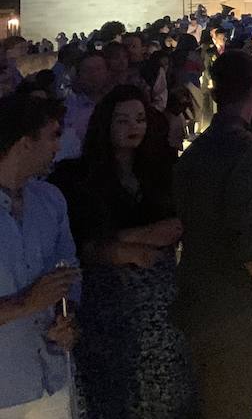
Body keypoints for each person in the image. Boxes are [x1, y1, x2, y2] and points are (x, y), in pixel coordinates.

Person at [59, 84, 195, 418]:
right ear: (105, 124)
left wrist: (126, 242)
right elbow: (81, 243)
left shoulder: (158, 171)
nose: (133, 127)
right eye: (122, 120)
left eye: (139, 119)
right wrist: (137, 240)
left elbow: (175, 227)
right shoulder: (78, 178)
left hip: (159, 303)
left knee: (165, 393)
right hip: (107, 303)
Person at [172, 50, 252, 419]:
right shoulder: (247, 149)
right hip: (232, 310)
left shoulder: (196, 151)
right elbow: (251, 244)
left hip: (195, 296)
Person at [0, 93, 81, 419]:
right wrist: (24, 304)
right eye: (53, 136)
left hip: (51, 377)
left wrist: (67, 319)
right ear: (24, 143)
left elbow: (70, 273)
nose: (57, 147)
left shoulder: (50, 201)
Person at [56, 53, 111, 162]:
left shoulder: (118, 102)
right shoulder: (67, 108)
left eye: (99, 69)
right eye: (87, 70)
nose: (94, 74)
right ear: (78, 75)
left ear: (108, 72)